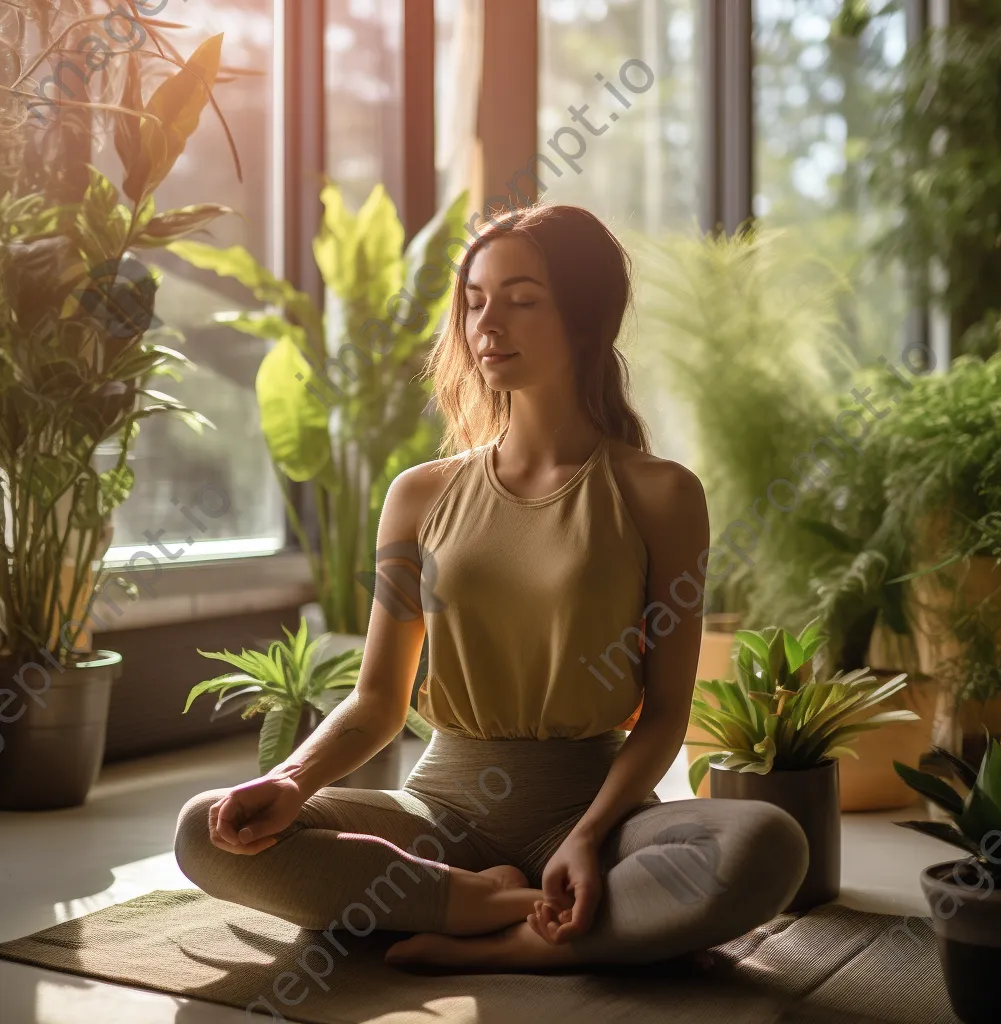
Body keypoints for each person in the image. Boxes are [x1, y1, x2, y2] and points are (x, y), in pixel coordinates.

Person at [173, 201, 809, 972]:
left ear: (584, 317)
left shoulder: (660, 495)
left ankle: (504, 942)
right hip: (440, 807)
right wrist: (291, 779)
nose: (487, 325)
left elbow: (666, 714)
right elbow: (379, 701)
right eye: (475, 302)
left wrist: (583, 836)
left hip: (596, 816)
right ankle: (500, 906)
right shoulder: (420, 494)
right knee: (206, 829)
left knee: (768, 845)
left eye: (522, 300)